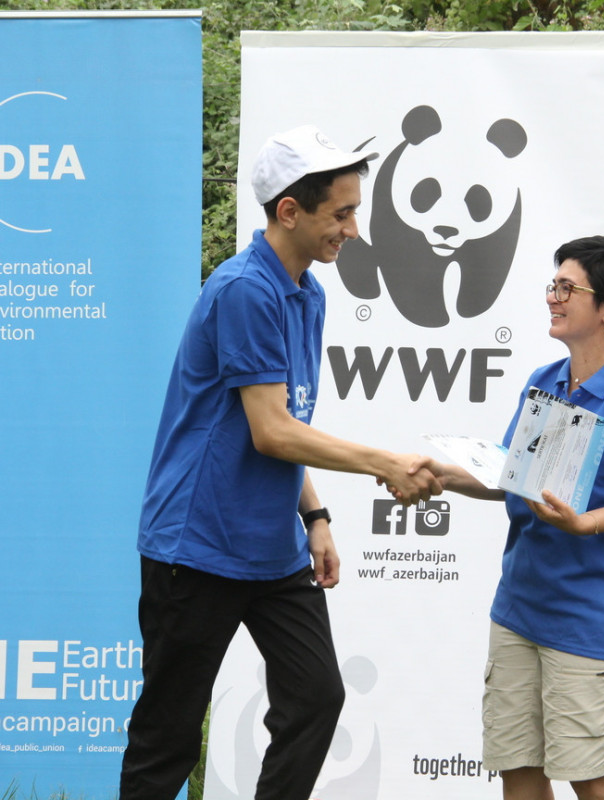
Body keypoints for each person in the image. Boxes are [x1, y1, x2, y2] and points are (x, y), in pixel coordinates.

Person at [120, 125, 441, 800]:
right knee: (168, 737)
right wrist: (384, 462)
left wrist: (315, 515)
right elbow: (271, 432)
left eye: (356, 211)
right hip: (196, 547)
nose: (354, 230)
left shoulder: (309, 294)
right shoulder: (243, 290)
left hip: (272, 551)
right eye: (342, 213)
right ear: (288, 211)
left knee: (316, 698)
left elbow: (286, 419)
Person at [408, 235, 604, 800]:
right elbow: (509, 476)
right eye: (554, 284)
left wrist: (583, 523)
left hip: (592, 624)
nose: (553, 297)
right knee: (519, 773)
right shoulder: (543, 381)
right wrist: (435, 474)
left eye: (567, 287)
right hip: (520, 612)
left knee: (593, 779)